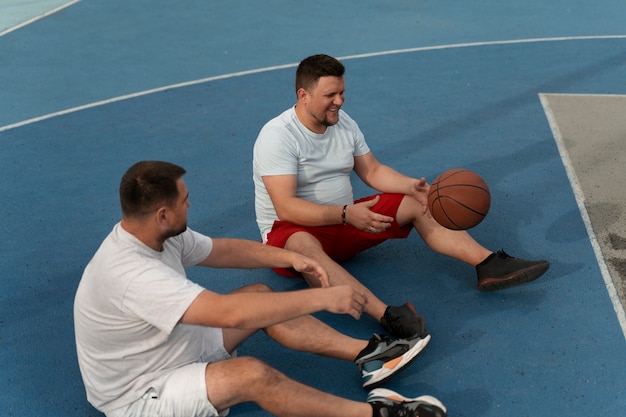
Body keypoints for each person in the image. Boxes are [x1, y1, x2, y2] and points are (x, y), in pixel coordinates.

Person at [74, 161, 446, 417]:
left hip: (169, 349)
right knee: (252, 375)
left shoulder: (156, 234)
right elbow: (228, 314)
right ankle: (376, 414)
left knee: (259, 295)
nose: (190, 203)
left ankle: (368, 354)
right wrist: (324, 296)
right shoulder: (131, 275)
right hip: (143, 394)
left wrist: (289, 258)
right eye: (184, 200)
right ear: (163, 215)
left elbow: (222, 250)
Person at [252, 54, 550, 339]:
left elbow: (373, 170)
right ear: (303, 95)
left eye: (342, 92)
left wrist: (413, 187)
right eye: (331, 95)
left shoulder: (344, 123)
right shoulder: (278, 136)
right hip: (290, 236)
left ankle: (488, 265)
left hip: (343, 221)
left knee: (419, 203)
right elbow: (286, 208)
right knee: (305, 246)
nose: (339, 101)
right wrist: (345, 213)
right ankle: (388, 316)